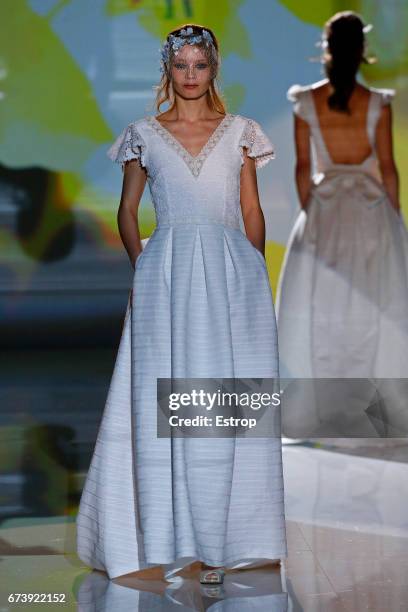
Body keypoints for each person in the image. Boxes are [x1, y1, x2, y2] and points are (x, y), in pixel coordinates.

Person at [76, 23, 287, 584]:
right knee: (161, 398)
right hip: (164, 273)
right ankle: (170, 535)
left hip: (230, 273)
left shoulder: (242, 132)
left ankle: (224, 538)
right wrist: (141, 264)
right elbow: (127, 210)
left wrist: (253, 274)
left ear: (214, 68)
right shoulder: (142, 133)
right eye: (180, 65)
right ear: (166, 70)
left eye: (200, 65)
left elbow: (251, 210)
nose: (190, 75)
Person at [276, 11, 408, 383]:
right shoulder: (377, 103)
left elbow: (303, 167)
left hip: (325, 210)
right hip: (371, 213)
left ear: (327, 48)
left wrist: (310, 211)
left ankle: (328, 396)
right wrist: (394, 218)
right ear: (362, 50)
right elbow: (388, 166)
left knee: (323, 306)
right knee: (374, 303)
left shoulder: (305, 101)